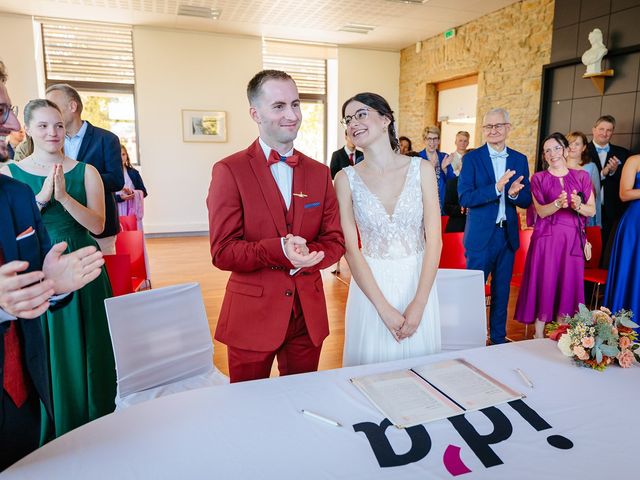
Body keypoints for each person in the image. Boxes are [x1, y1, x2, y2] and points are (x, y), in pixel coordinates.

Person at [207, 70, 344, 383]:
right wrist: (279, 250)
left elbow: (335, 240)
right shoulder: (230, 170)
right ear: (255, 113)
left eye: (295, 105)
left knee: (302, 398)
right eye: (279, 106)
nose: (292, 115)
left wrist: (314, 255)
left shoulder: (320, 172)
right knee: (248, 406)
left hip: (307, 315)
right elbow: (222, 252)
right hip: (252, 314)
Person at [0, 60, 104, 470]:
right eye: (41, 125)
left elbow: (98, 224)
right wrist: (42, 199)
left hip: (73, 268)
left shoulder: (13, 190)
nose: (52, 132)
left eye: (58, 124)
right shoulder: (14, 176)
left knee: (87, 349)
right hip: (38, 285)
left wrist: (62, 198)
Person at [335, 92, 441, 366]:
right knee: (373, 370)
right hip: (372, 287)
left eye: (361, 114)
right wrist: (383, 309)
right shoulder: (345, 179)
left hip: (418, 280)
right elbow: (350, 248)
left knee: (421, 373)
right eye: (347, 119)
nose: (352, 123)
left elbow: (435, 241)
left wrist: (419, 303)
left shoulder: (423, 169)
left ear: (385, 120)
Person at [458, 108, 532, 345]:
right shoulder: (471, 159)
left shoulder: (519, 159)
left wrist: (511, 195)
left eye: (498, 126)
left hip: (507, 236)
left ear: (508, 128)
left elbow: (526, 199)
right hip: (480, 237)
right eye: (488, 126)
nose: (493, 130)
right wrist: (496, 189)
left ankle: (499, 340)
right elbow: (465, 198)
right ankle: (470, 339)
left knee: (502, 292)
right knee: (473, 293)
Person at [514, 133, 595, 338]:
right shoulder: (538, 178)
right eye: (547, 150)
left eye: (557, 148)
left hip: (572, 241)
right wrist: (558, 204)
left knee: (567, 286)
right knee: (546, 282)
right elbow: (540, 211)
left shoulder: (582, 177)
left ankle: (562, 336)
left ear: (566, 150)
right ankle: (538, 335)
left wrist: (579, 205)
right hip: (546, 240)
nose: (553, 154)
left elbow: (591, 211)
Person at [46, 84, 123, 254]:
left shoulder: (106, 139)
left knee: (104, 277)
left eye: (54, 106)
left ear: (72, 106)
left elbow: (116, 180)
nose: (50, 112)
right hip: (64, 228)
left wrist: (82, 179)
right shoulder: (52, 141)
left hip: (100, 228)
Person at [604, 154, 640, 333]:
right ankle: (622, 331)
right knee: (631, 272)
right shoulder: (634, 160)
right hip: (635, 225)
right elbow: (624, 194)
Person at [586, 115, 629, 263]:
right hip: (587, 210)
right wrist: (604, 173)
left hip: (612, 211)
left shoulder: (623, 153)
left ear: (613, 132)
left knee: (606, 253)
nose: (604, 133)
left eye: (609, 130)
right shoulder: (582, 151)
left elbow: (625, 182)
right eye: (601, 129)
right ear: (593, 130)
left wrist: (614, 171)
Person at [566, 131, 600, 227]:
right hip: (560, 214)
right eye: (569, 143)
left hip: (582, 216)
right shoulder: (558, 166)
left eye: (577, 144)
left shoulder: (590, 167)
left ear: (584, 148)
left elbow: (596, 196)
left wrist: (596, 223)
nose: (572, 147)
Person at [419, 126, 453, 214]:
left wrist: (445, 169)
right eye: (429, 139)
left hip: (442, 203)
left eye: (435, 139)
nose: (432, 142)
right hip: (423, 203)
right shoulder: (418, 158)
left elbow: (452, 183)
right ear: (424, 140)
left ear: (439, 140)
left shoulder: (444, 157)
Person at [116, 143, 147, 231]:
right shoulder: (109, 174)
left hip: (132, 211)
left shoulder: (134, 173)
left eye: (123, 154)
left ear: (127, 156)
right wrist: (119, 197)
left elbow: (143, 192)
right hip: (115, 210)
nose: (121, 157)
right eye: (118, 154)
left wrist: (133, 193)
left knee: (132, 239)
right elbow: (104, 195)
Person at [443, 148, 471, 233]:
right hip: (457, 229)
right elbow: (447, 207)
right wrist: (464, 210)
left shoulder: (486, 185)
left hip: (480, 230)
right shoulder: (453, 183)